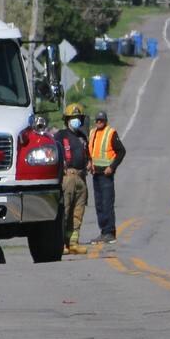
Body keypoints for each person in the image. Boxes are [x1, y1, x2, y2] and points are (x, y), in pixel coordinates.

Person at [53, 102, 90, 254]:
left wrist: (89, 163)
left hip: (82, 177)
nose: (76, 120)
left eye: (78, 117)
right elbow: (54, 153)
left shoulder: (82, 136)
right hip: (67, 177)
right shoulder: (60, 136)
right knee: (65, 211)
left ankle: (73, 242)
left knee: (78, 212)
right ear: (67, 119)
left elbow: (87, 153)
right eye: (73, 117)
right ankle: (60, 244)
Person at [87, 110, 126, 244]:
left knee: (107, 203)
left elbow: (121, 151)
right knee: (99, 205)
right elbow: (90, 151)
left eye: (101, 120)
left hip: (106, 175)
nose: (99, 122)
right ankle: (103, 232)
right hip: (95, 174)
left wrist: (112, 167)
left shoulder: (111, 133)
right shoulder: (92, 133)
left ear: (105, 121)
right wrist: (89, 162)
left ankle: (110, 232)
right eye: (97, 120)